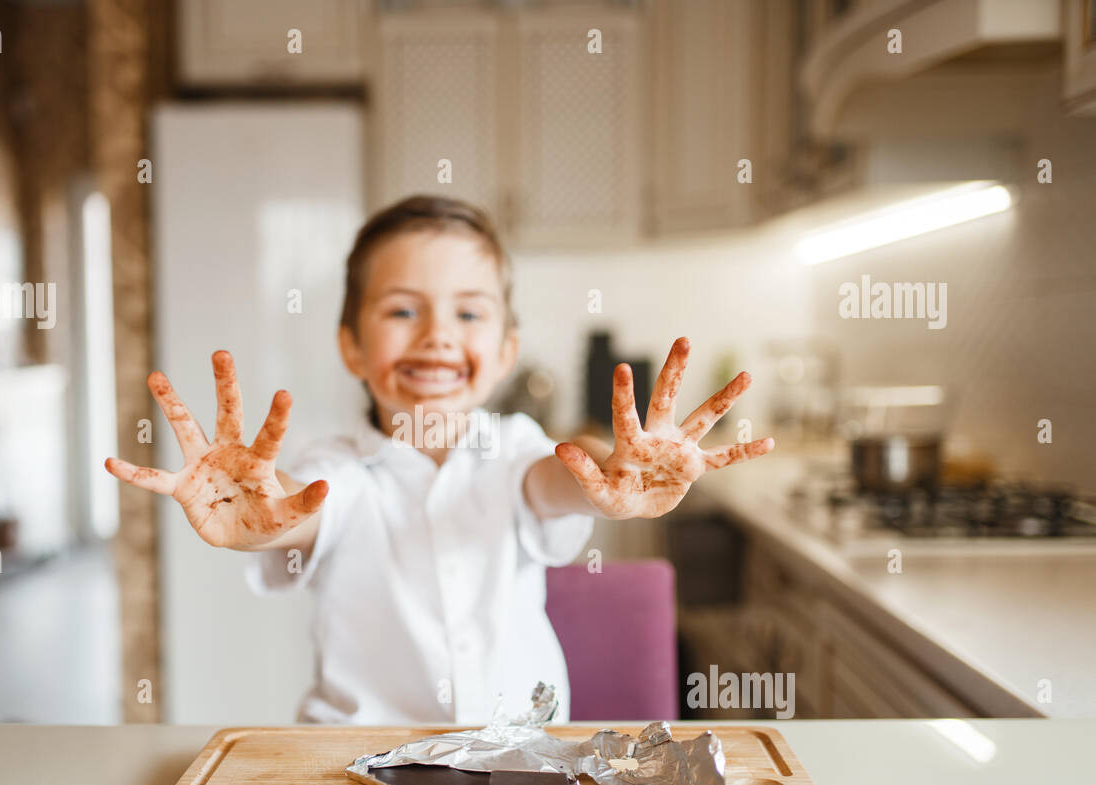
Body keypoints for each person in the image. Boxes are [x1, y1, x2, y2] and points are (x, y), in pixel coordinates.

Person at [105, 195, 773, 724]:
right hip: (356, 771)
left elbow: (560, 475)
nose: (437, 336)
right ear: (352, 348)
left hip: (518, 764)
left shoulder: (513, 446)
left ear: (507, 351)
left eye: (468, 313)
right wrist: (259, 508)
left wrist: (615, 471)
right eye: (402, 310)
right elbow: (300, 504)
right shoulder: (336, 466)